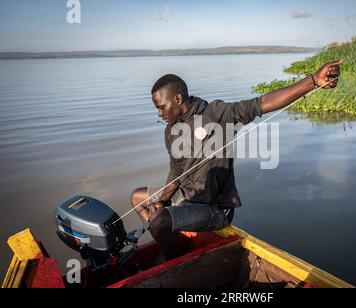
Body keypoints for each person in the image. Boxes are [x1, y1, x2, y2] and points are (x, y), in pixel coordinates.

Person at [130, 60, 343, 260]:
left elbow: (263, 103)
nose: (159, 113)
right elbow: (176, 172)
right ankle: (173, 242)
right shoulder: (171, 131)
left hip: (214, 208)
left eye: (161, 107)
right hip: (187, 196)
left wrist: (313, 81)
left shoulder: (215, 113)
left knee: (159, 222)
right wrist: (161, 201)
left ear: (178, 99)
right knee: (138, 198)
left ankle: (173, 260)